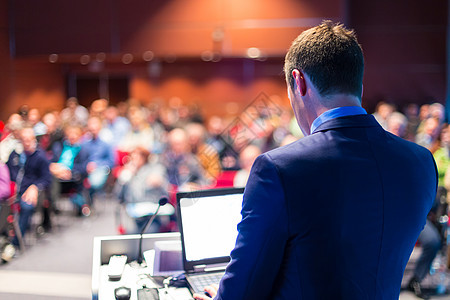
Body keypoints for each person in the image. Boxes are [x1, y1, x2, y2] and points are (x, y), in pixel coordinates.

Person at [194, 21, 437, 300]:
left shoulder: (278, 169)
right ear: (358, 80)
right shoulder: (421, 163)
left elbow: (243, 292)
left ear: (298, 82)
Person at [6, 126, 51, 244]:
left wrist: (35, 187)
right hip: (11, 192)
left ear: (34, 139)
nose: (26, 142)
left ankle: (15, 243)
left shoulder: (40, 156)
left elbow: (47, 178)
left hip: (29, 192)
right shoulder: (15, 155)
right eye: (23, 139)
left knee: (26, 206)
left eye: (28, 139)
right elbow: (8, 172)